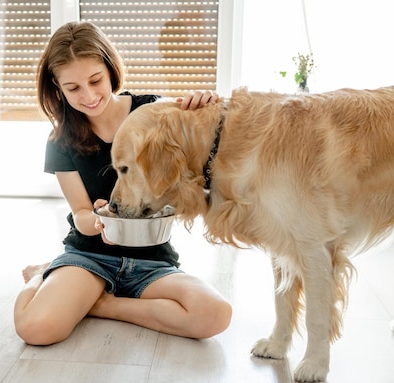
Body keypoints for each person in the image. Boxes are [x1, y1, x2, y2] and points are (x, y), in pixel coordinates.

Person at [14, 22, 232, 346]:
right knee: (35, 328)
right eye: (73, 88)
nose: (88, 96)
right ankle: (44, 275)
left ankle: (102, 303)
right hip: (90, 259)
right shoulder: (60, 141)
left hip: (152, 260)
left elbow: (209, 151)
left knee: (215, 313)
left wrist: (209, 104)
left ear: (109, 68)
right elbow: (81, 214)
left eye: (95, 80)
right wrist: (97, 220)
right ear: (58, 88)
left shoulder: (152, 111)